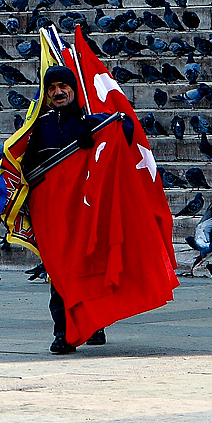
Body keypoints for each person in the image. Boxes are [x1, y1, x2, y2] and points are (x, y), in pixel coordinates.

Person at [24, 65, 131, 355]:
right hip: (55, 216)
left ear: (73, 89)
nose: (58, 92)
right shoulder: (38, 127)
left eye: (63, 86)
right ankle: (63, 333)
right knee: (59, 274)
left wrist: (97, 129)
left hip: (84, 212)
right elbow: (25, 169)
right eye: (52, 88)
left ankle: (94, 323)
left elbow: (127, 130)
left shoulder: (91, 120)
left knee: (88, 268)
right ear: (46, 94)